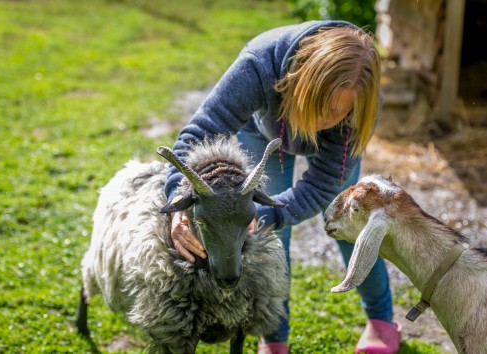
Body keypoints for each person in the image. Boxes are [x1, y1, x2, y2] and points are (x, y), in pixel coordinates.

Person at [164, 20, 401, 354]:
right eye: (320, 107)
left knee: (353, 226)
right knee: (270, 232)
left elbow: (322, 186)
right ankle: (274, 335)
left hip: (319, 132)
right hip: (265, 131)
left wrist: (274, 213)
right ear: (300, 81)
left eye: (336, 112)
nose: (323, 120)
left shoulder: (357, 99)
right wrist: (179, 200)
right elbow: (197, 134)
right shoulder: (259, 66)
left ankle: (381, 320)